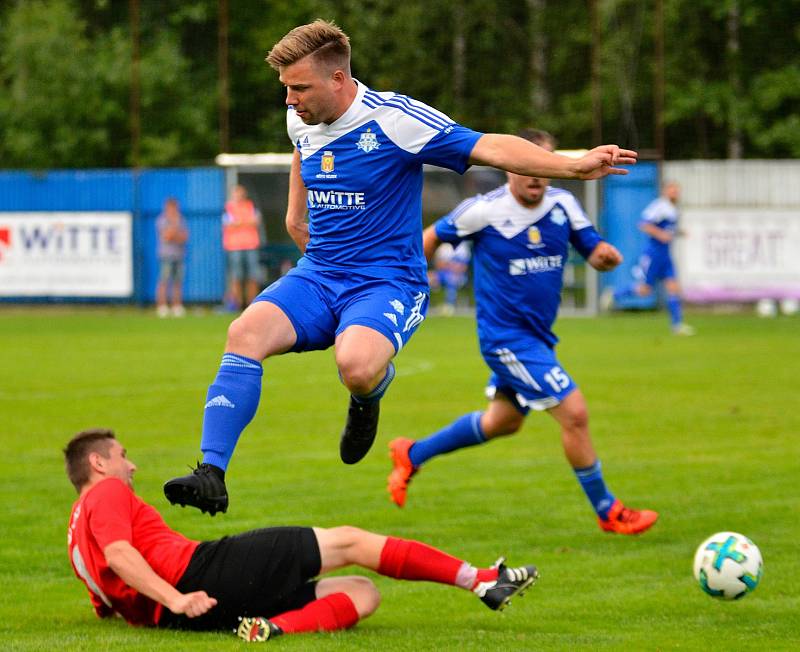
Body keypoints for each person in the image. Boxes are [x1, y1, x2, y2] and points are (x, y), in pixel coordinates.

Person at [163, 19, 637, 516]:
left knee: (356, 368)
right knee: (244, 333)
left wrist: (573, 165)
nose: (289, 101)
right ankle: (211, 472)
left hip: (386, 282)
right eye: (285, 88)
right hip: (320, 273)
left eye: (299, 88)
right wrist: (293, 213)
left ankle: (369, 396)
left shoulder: (396, 120)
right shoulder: (300, 117)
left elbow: (490, 146)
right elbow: (301, 152)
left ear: (339, 80)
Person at [387, 129, 658, 535]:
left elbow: (592, 247)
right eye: (528, 165)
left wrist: (604, 256)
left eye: (543, 166)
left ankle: (413, 454)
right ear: (512, 167)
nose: (535, 176)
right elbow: (429, 238)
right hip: (505, 339)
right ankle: (608, 510)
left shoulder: (564, 205)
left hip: (538, 337)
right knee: (575, 412)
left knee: (503, 422)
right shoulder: (483, 211)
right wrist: (406, 282)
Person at [65, 429, 538, 642]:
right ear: (98, 463)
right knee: (349, 541)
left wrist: (161, 609)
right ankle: (479, 579)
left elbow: (104, 592)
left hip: (193, 615)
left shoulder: (73, 534)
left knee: (362, 593)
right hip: (198, 578)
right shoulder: (105, 492)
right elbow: (122, 553)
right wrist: (174, 598)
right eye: (122, 456)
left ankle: (272, 630)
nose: (131, 466)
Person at [606, 182, 695, 335]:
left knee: (674, 288)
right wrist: (660, 235)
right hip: (653, 254)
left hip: (666, 255)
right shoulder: (660, 206)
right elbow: (644, 224)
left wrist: (680, 232)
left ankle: (677, 326)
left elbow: (669, 229)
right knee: (645, 290)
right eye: (672, 190)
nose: (675, 193)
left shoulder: (674, 209)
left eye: (677, 190)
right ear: (666, 191)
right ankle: (614, 294)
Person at [222, 184, 264, 311]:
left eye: (241, 193)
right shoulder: (228, 208)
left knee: (253, 275)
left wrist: (239, 223)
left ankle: (252, 304)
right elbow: (228, 224)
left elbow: (256, 221)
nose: (239, 196)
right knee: (236, 276)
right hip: (234, 247)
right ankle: (237, 304)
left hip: (251, 245)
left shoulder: (251, 206)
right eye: (236, 193)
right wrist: (246, 222)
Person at [155, 198, 189, 318]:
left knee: (178, 282)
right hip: (166, 255)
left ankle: (176, 306)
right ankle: (162, 306)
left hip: (179, 255)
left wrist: (175, 234)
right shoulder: (162, 220)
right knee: (164, 280)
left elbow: (184, 237)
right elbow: (167, 236)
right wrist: (175, 227)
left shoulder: (182, 219)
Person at [431, 241, 472, 315]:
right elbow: (438, 265)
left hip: (460, 276)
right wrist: (452, 265)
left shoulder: (462, 247)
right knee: (429, 277)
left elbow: (463, 267)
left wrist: (448, 264)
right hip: (442, 274)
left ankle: (449, 306)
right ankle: (426, 304)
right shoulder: (443, 246)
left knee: (451, 279)